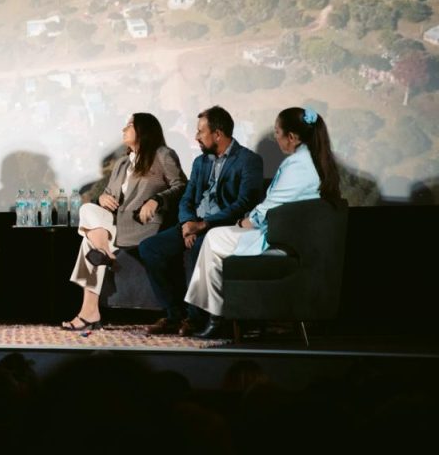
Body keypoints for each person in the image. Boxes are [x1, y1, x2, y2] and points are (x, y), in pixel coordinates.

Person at [187, 107, 341, 338]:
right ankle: (217, 314)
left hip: (283, 240)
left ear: (292, 137)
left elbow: (271, 206)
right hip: (290, 235)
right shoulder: (313, 159)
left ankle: (215, 316)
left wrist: (246, 222)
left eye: (277, 132)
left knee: (213, 237)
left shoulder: (299, 165)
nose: (275, 137)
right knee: (216, 239)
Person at [139, 106, 264, 336]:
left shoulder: (249, 160)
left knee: (199, 245)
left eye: (200, 131)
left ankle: (195, 319)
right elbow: (186, 198)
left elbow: (244, 203)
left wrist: (204, 225)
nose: (196, 137)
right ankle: (174, 315)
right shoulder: (200, 162)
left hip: (222, 228)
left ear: (218, 134)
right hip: (193, 224)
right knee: (149, 248)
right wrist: (187, 224)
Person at [62, 113, 187, 330]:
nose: (124, 129)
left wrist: (157, 200)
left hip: (142, 226)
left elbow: (181, 185)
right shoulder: (121, 163)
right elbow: (109, 196)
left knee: (88, 242)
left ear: (144, 130)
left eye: (129, 125)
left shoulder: (162, 154)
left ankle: (89, 312)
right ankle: (104, 251)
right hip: (116, 225)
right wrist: (103, 198)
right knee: (87, 208)